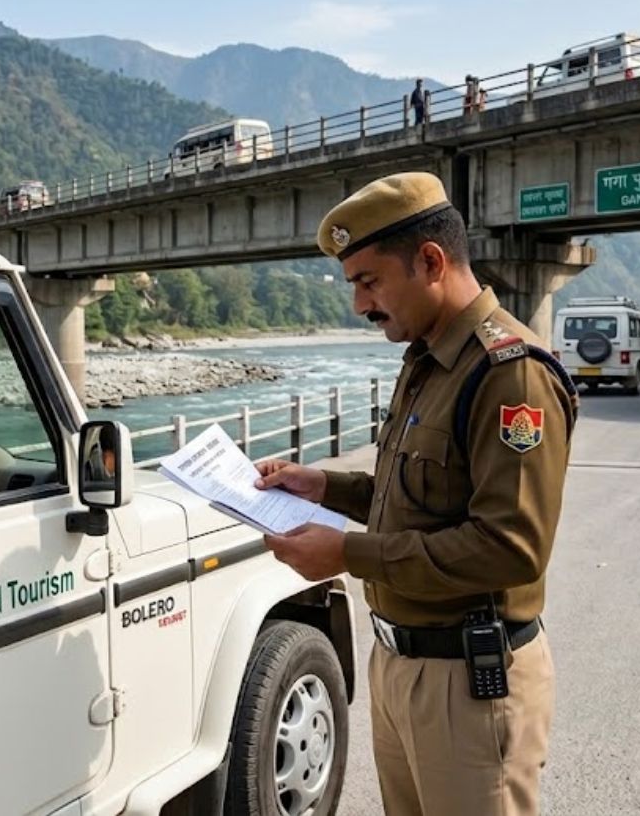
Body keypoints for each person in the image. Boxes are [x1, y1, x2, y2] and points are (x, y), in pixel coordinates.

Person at [255, 172, 576, 816]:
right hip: (400, 664)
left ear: (431, 261)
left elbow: (509, 548)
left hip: (468, 680)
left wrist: (348, 555)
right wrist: (323, 485)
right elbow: (415, 495)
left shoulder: (508, 374)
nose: (360, 305)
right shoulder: (428, 360)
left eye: (369, 281)